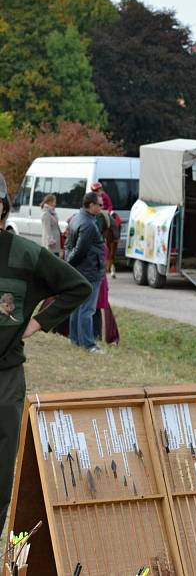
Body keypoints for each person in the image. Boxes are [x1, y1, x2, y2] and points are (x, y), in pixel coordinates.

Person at [0, 172, 91, 529]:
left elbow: (76, 286)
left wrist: (38, 322)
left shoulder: (24, 253)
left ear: (3, 208)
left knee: (3, 462)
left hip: (5, 375)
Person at [65, 192, 106, 354]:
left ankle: (75, 339)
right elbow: (80, 250)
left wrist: (69, 263)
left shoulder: (76, 218)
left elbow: (69, 244)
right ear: (91, 205)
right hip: (89, 270)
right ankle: (88, 345)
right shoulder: (88, 224)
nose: (102, 208)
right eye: (100, 205)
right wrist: (69, 264)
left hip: (81, 269)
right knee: (87, 309)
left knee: (77, 306)